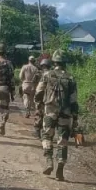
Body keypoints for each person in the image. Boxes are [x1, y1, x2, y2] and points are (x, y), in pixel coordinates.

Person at [35, 50, 79, 181]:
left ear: (54, 62)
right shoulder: (71, 78)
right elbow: (74, 100)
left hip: (50, 111)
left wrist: (39, 106)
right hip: (65, 113)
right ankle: (60, 164)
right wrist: (75, 117)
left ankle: (49, 161)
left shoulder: (47, 75)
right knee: (63, 140)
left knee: (46, 135)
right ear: (65, 62)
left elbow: (39, 92)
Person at [32, 55, 51, 139]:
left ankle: (37, 131)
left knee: (39, 113)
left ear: (42, 65)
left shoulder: (38, 73)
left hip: (40, 95)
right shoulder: (52, 74)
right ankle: (47, 133)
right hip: (50, 97)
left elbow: (34, 83)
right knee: (48, 114)